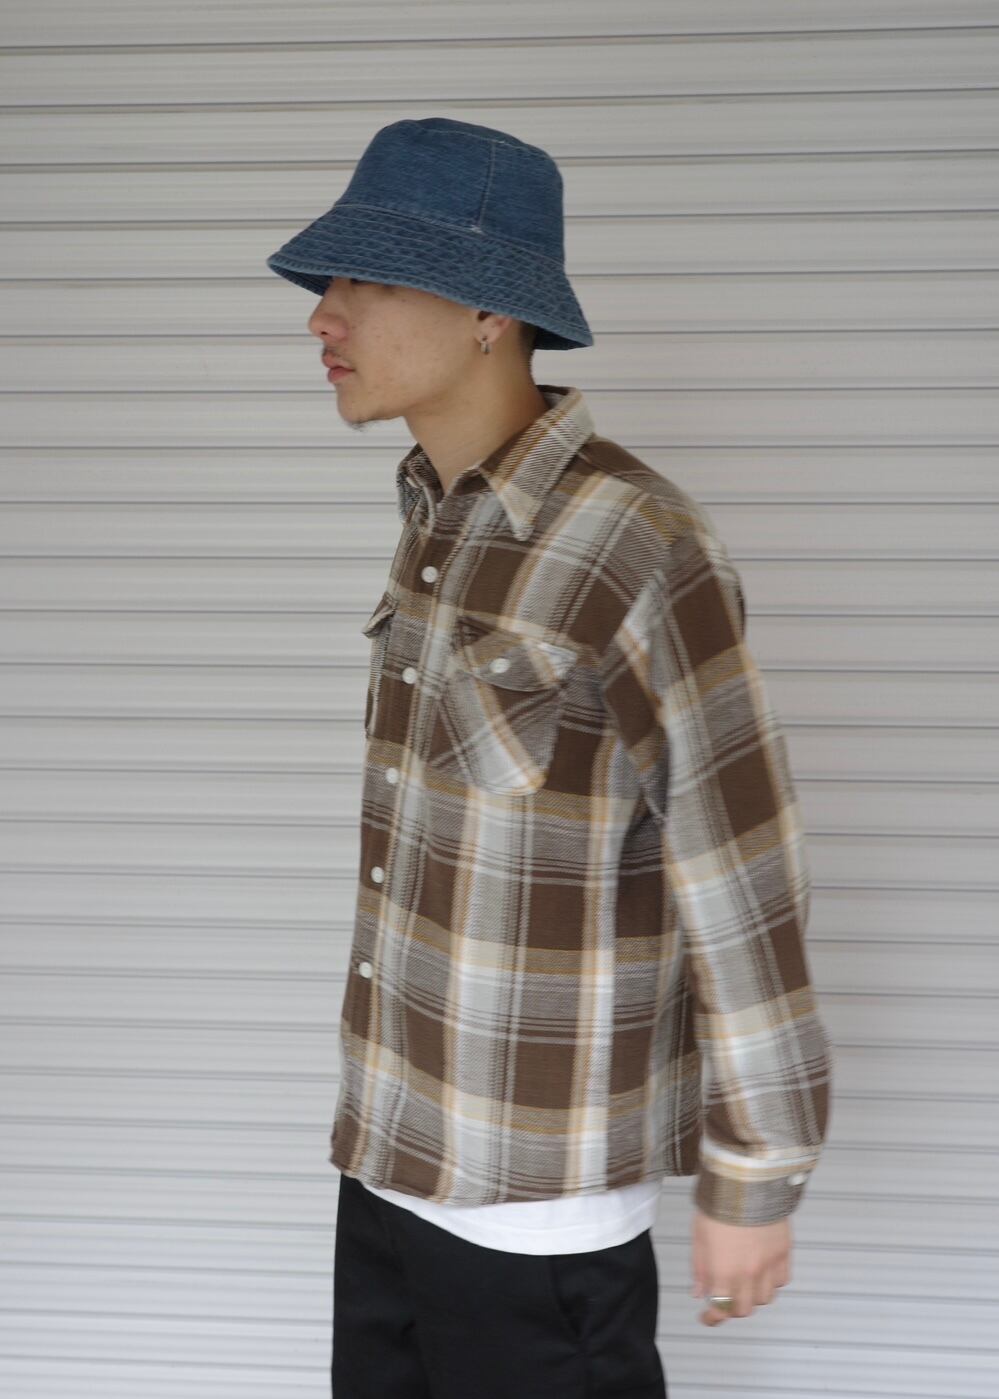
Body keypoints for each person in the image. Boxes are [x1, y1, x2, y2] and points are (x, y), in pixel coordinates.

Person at [266, 116, 833, 1399]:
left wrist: (758, 1170)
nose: (323, 317)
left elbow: (740, 869)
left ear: (489, 312)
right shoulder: (436, 523)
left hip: (538, 1212)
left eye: (367, 279)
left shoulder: (636, 540)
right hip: (389, 1164)